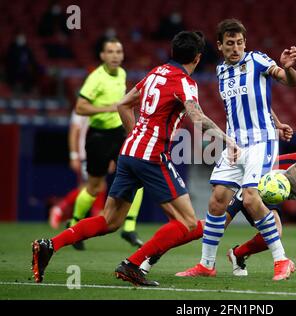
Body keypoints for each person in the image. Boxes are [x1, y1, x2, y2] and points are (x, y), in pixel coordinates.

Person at [31, 31, 239, 286]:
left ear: (173, 52)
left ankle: (50, 245)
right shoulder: (185, 82)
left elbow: (123, 104)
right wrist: (228, 140)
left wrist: (137, 136)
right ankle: (132, 265)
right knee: (187, 222)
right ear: (197, 58)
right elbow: (197, 118)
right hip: (151, 156)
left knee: (110, 221)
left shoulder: (155, 73)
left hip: (129, 152)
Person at [176, 18, 296, 281]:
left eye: (240, 42)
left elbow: (288, 81)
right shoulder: (221, 71)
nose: (236, 47)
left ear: (246, 43)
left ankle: (282, 260)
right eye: (230, 43)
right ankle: (206, 265)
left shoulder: (257, 60)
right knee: (217, 200)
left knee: (251, 198)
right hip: (234, 143)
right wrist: (278, 122)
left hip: (261, 141)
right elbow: (250, 100)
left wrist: (288, 70)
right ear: (220, 46)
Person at [139, 152, 296, 280]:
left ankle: (238, 254)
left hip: (267, 194)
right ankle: (156, 251)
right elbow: (290, 176)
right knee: (211, 229)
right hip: (250, 181)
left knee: (275, 232)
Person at [62, 37, 143, 250]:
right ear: (102, 56)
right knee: (95, 187)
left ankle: (129, 227)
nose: (115, 55)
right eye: (111, 52)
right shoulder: (95, 78)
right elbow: (80, 107)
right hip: (98, 137)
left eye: (119, 51)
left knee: (138, 174)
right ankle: (74, 223)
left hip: (118, 134)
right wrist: (108, 108)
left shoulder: (123, 74)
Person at [48, 111, 143, 248]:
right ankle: (62, 211)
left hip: (105, 148)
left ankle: (79, 221)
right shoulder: (88, 101)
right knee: (91, 187)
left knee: (97, 186)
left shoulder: (113, 100)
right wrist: (74, 155)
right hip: (88, 151)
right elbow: (75, 130)